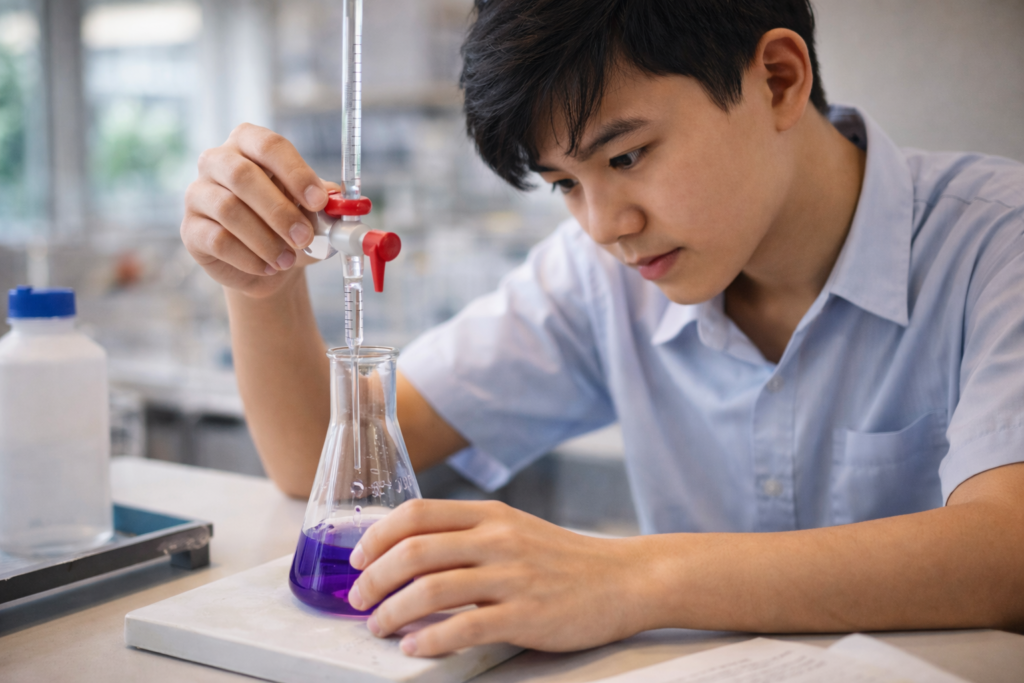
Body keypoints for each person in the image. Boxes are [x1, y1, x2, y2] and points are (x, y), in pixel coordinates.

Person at [180, 0, 1024, 658]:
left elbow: (1007, 551)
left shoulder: (996, 242)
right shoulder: (602, 277)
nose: (605, 224)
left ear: (776, 78)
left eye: (626, 157)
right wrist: (260, 277)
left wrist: (629, 577)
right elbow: (316, 455)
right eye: (564, 184)